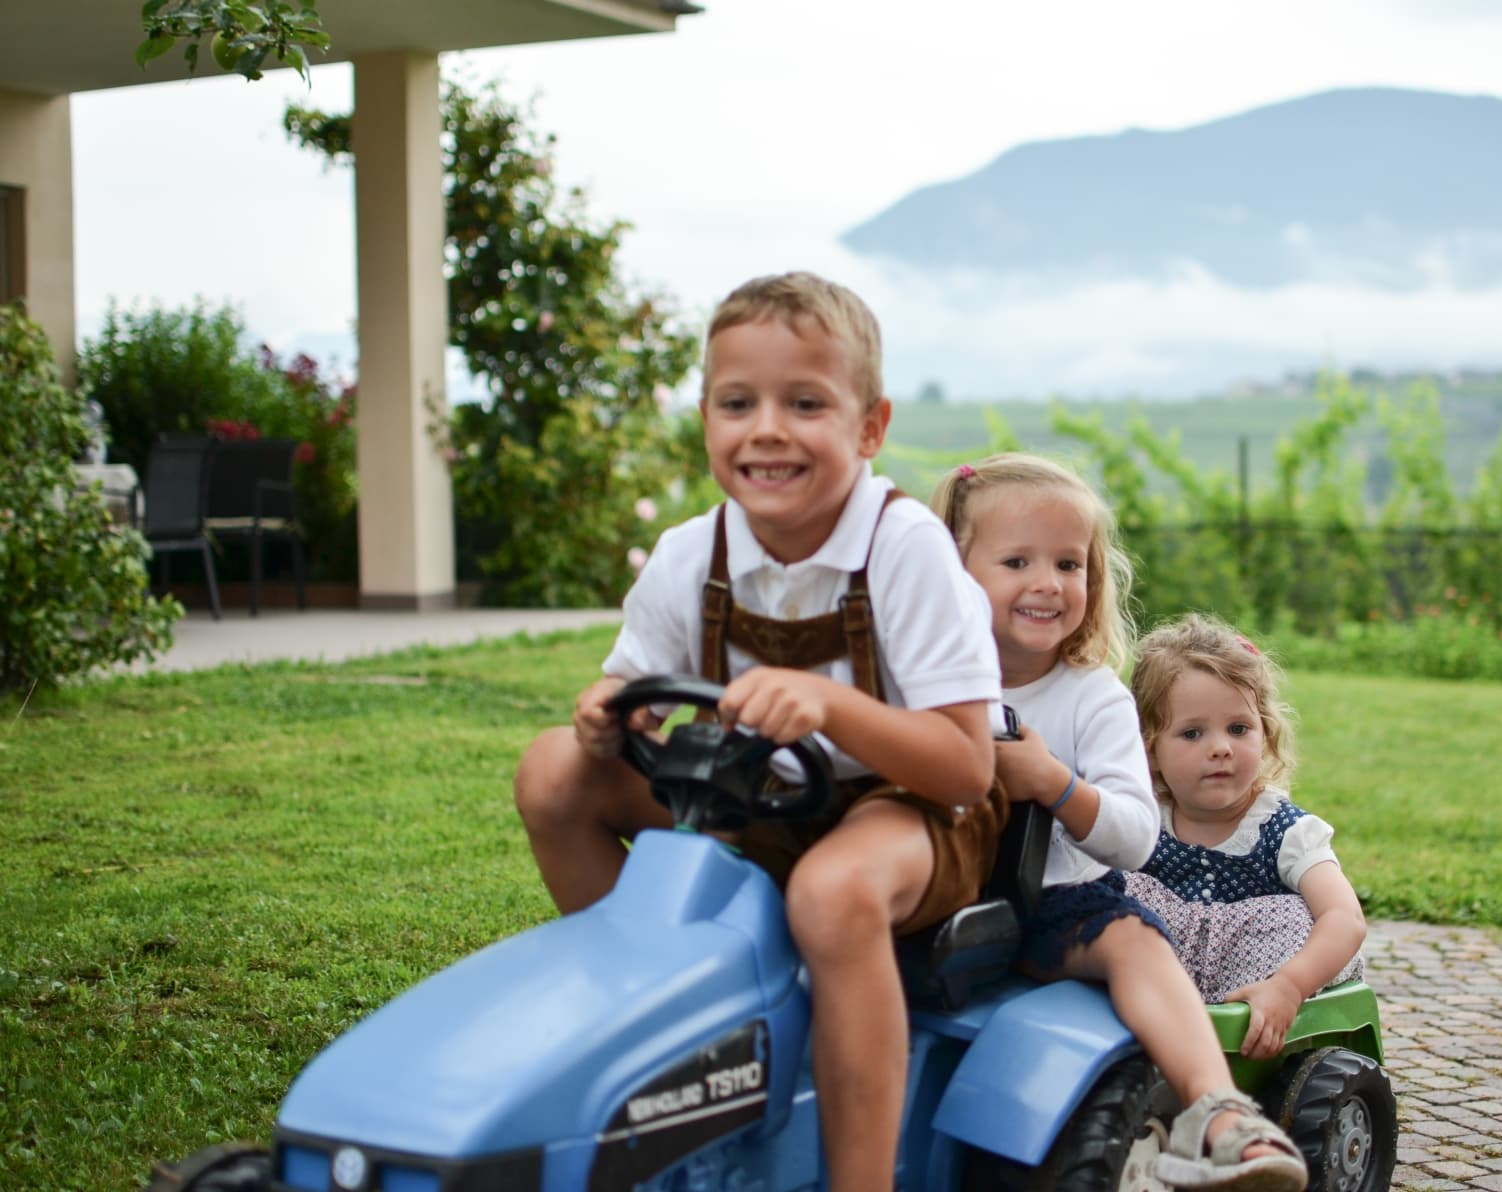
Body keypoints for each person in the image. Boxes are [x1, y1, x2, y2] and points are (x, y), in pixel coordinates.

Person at [513, 272, 1009, 1191]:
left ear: (869, 426)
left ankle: (859, 1179)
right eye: (737, 403)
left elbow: (967, 768)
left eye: (805, 403)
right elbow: (634, 694)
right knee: (551, 770)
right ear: (706, 418)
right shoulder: (689, 556)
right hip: (752, 800)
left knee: (831, 891)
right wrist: (604, 716)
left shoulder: (903, 550)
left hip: (909, 813)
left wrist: (830, 707)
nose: (767, 428)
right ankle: (662, 1022)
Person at [931, 453, 1307, 1192]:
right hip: (937, 895)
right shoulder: (925, 675)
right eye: (1017, 560)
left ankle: (1221, 1113)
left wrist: (1053, 783)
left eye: (1069, 563)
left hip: (1056, 908)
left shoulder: (1090, 697)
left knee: (1138, 943)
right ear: (953, 571)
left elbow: (1135, 835)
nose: (1048, 582)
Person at [1124, 613, 1367, 1064]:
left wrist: (1290, 985)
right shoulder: (1142, 822)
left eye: (1238, 729)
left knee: (1299, 914)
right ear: (1150, 750)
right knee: (1115, 888)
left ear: (1266, 734)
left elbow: (1346, 917)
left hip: (1259, 992)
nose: (1221, 748)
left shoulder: (1286, 832)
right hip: (1158, 985)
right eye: (1192, 733)